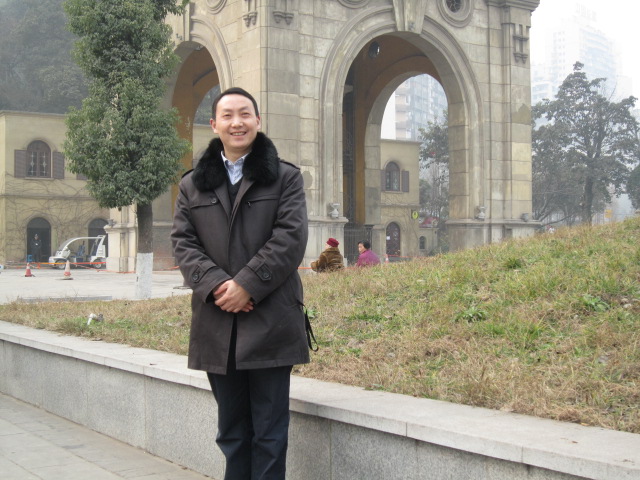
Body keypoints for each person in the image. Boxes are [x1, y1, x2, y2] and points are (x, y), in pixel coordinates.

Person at [171, 87, 309, 480]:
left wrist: (247, 285)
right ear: (214, 124)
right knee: (232, 432)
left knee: (269, 432)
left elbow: (290, 238)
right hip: (218, 323)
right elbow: (183, 242)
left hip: (271, 322)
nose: (237, 122)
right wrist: (218, 286)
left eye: (245, 114)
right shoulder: (192, 185)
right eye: (228, 115)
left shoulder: (285, 177)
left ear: (258, 121)